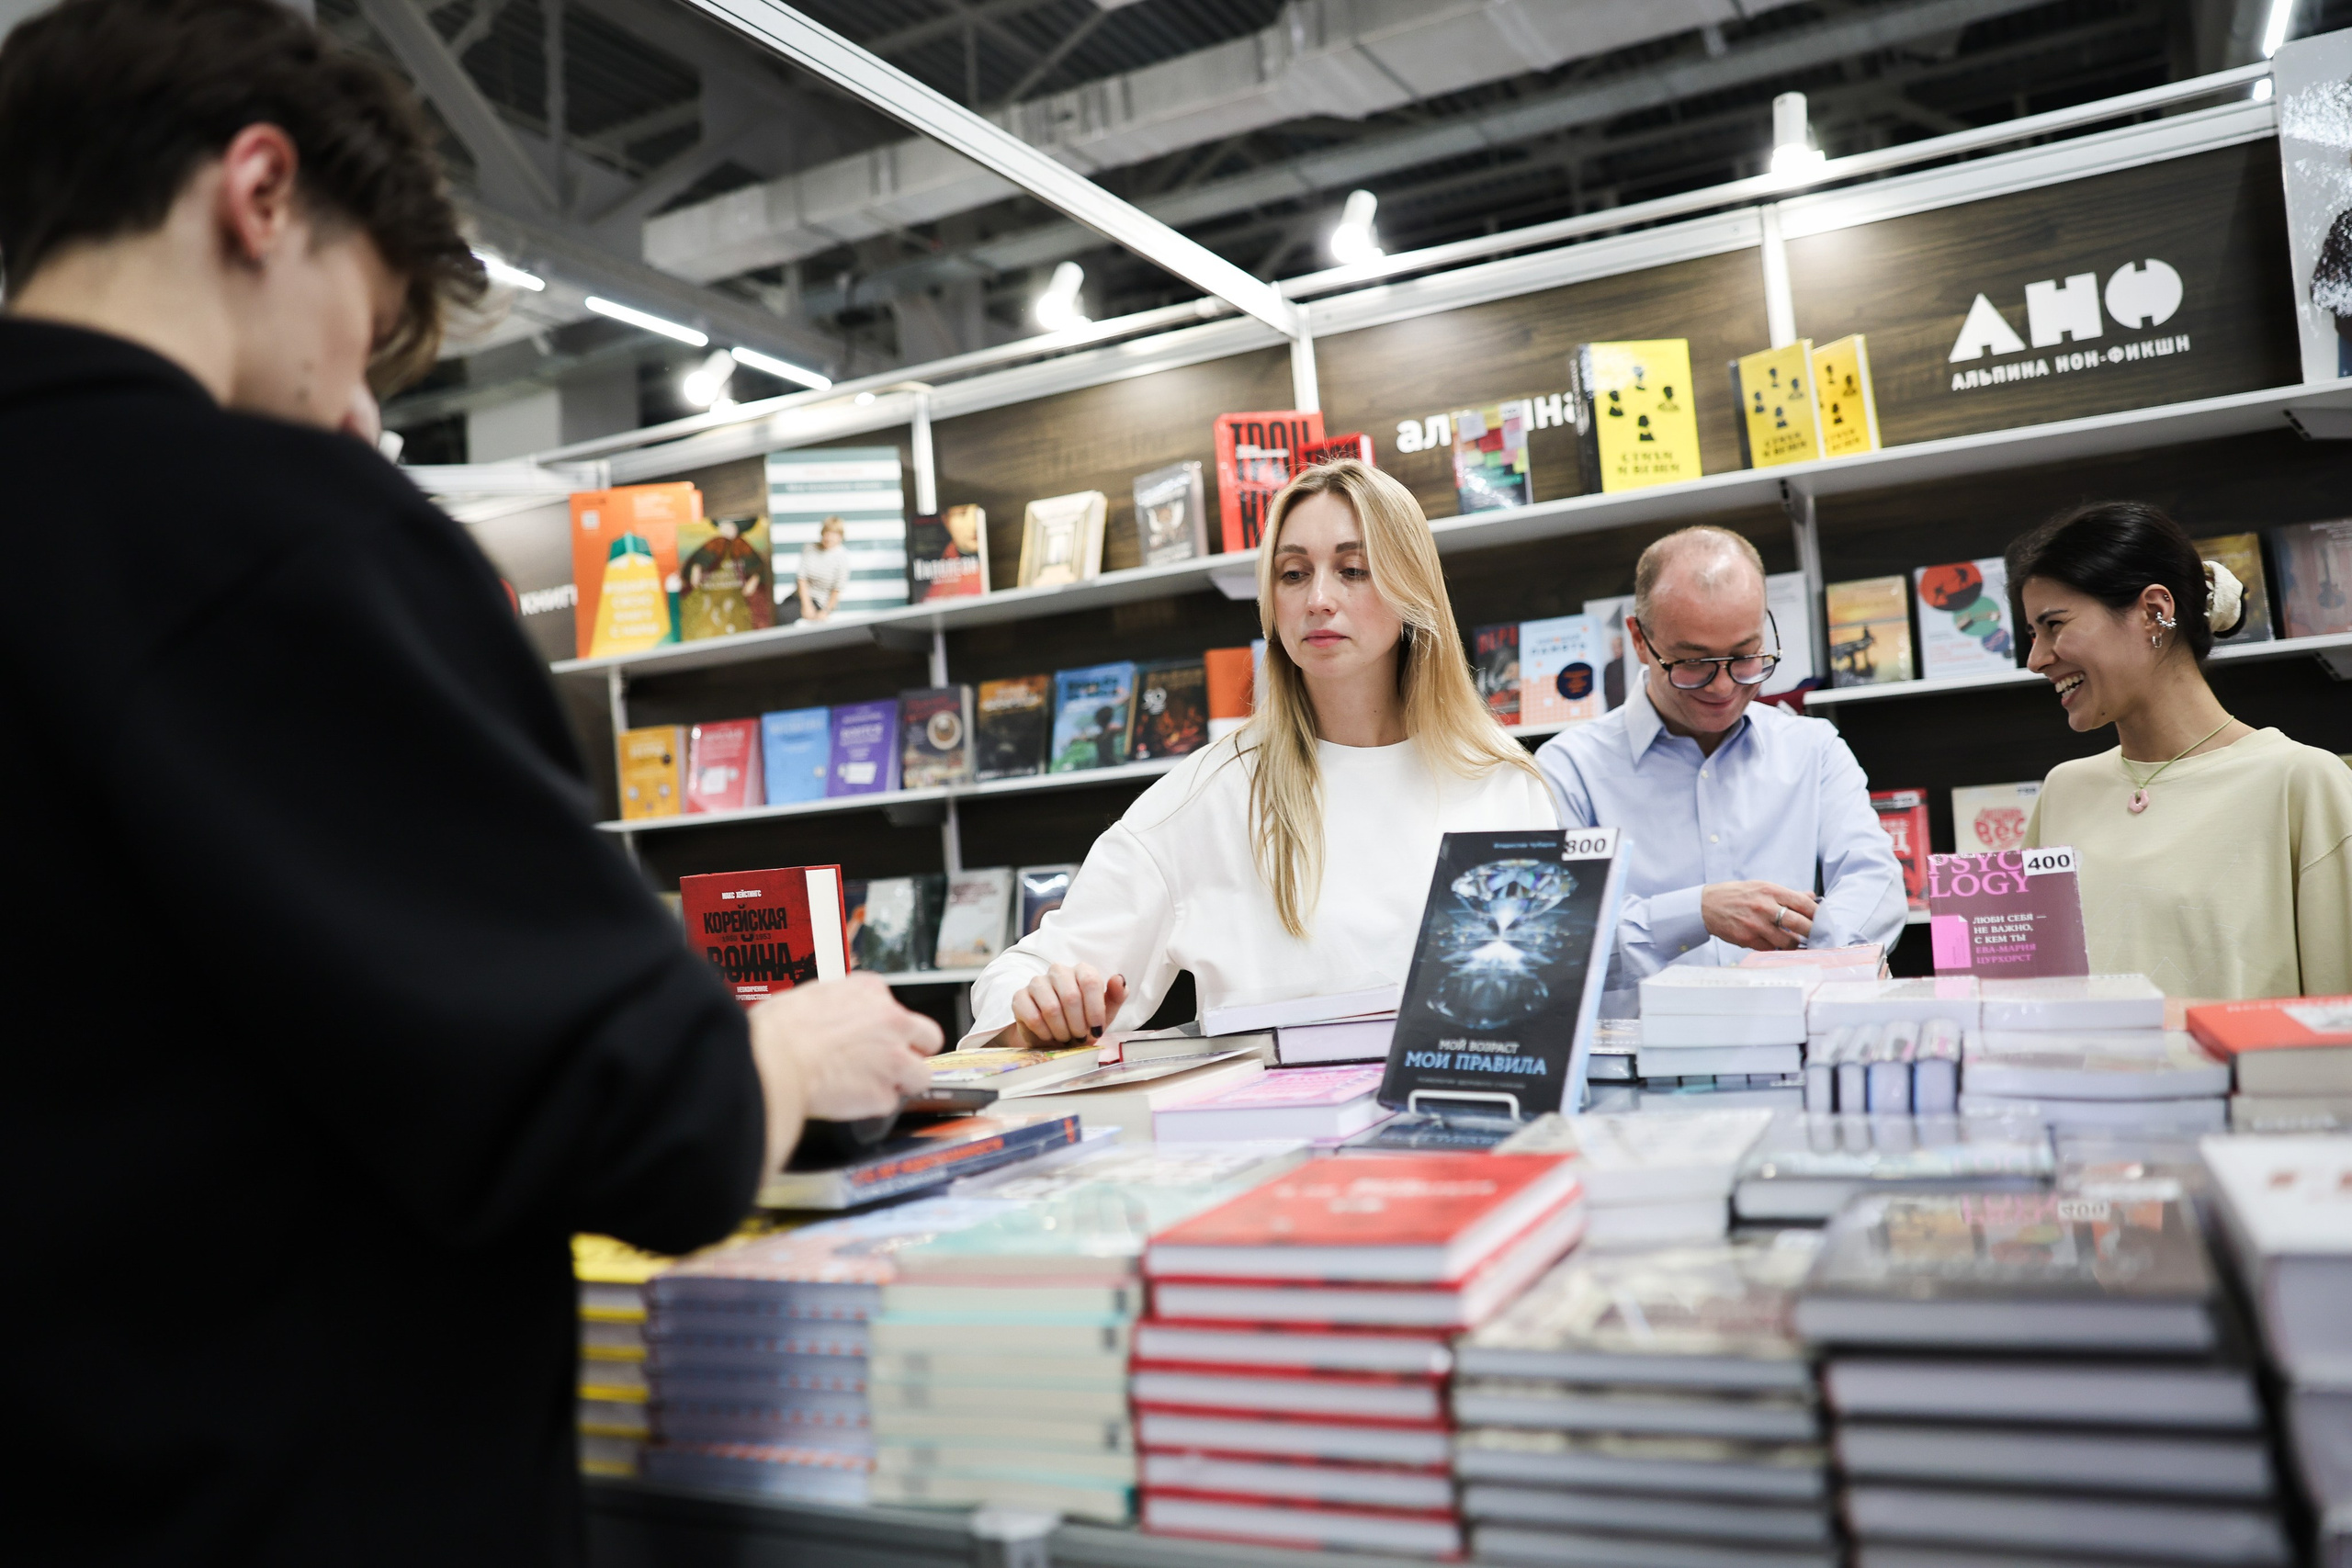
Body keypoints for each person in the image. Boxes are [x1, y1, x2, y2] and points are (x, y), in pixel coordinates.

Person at [0, 2, 940, 1562]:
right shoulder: (272, 534)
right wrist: (785, 1055)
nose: (351, 407)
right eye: (358, 332)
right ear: (259, 194)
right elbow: (621, 1115)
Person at [964, 460, 1556, 1048]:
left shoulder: (1500, 779)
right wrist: (1041, 1011)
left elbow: (1545, 998)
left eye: (1352, 569)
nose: (1319, 598)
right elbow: (1022, 979)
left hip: (1472, 1124)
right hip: (1276, 1137)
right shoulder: (1210, 792)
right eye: (1293, 574)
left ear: (1413, 589)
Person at [1536, 526, 1905, 994]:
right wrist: (1694, 914)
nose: (1723, 687)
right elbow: (1555, 941)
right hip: (1635, 1061)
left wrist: (1824, 957)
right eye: (1693, 663)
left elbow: (1875, 881)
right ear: (1639, 639)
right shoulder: (1568, 771)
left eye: (1745, 656)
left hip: (1792, 1048)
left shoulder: (1814, 749)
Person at [2012, 501, 2352, 998]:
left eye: (2054, 625)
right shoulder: (2064, 790)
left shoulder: (2302, 782)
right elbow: (2031, 989)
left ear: (2154, 611)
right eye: (2032, 633)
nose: (2036, 659)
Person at [796, 514, 853, 621]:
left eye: (834, 534)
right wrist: (806, 606)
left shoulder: (842, 558)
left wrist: (825, 611)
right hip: (802, 598)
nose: (829, 537)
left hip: (822, 603)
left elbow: (837, 590)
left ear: (840, 536)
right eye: (827, 532)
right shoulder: (809, 548)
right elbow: (801, 578)